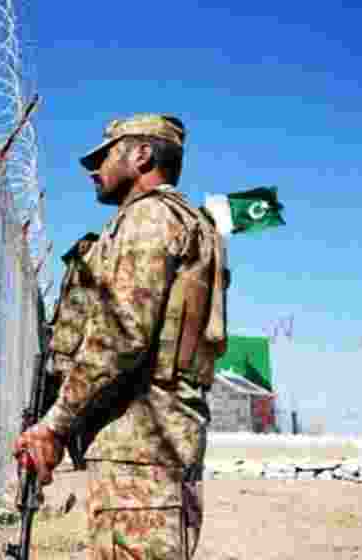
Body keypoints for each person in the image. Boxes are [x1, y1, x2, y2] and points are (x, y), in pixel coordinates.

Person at [13, 113, 230, 559]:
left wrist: (54, 424)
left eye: (105, 155)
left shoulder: (150, 217)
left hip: (142, 445)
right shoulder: (183, 220)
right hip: (152, 443)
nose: (94, 169)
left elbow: (120, 335)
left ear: (142, 155)